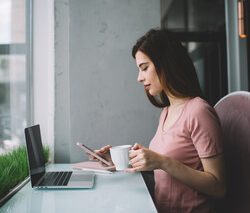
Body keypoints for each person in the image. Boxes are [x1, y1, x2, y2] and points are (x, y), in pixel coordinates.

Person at [91, 29, 226, 213]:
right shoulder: (167, 111)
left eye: (144, 68)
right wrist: (117, 160)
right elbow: (164, 170)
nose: (139, 78)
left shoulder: (199, 111)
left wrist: (164, 162)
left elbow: (219, 187)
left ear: (166, 64)